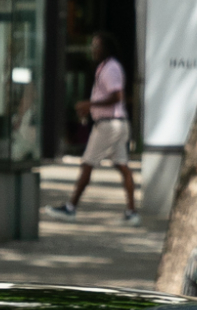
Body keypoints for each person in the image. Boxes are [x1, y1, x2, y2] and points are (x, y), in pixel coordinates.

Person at [49, 32, 138, 222]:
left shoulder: (111, 68)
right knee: (122, 166)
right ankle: (132, 212)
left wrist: (89, 105)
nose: (93, 50)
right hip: (117, 124)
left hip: (108, 125)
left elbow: (117, 97)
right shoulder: (105, 67)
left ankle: (71, 207)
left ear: (106, 49)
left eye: (97, 46)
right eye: (92, 46)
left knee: (88, 163)